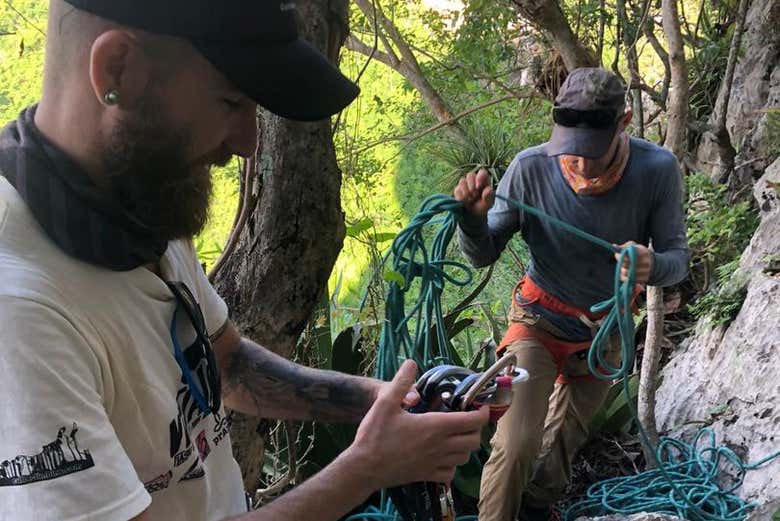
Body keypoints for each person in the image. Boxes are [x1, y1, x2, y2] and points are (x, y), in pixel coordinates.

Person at [0, 1, 490, 520]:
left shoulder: (141, 195)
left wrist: (382, 400)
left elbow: (228, 365)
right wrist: (366, 468)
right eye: (231, 101)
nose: (247, 142)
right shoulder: (21, 309)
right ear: (118, 70)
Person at [454, 68, 690, 521]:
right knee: (517, 441)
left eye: (592, 154)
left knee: (562, 444)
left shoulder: (656, 170)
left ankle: (538, 511)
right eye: (571, 151)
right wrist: (471, 221)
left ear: (623, 123)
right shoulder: (531, 168)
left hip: (607, 331)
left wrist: (652, 265)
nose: (580, 165)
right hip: (538, 321)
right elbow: (483, 255)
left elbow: (678, 257)